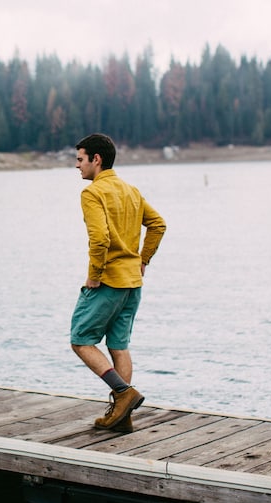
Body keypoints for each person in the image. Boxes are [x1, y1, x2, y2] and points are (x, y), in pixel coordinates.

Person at [70, 133, 166, 432]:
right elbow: (158, 224)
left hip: (108, 281)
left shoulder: (93, 193)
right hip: (132, 283)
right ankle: (122, 416)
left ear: (95, 160)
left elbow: (99, 239)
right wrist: (143, 259)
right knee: (119, 345)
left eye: (80, 159)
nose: (77, 166)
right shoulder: (130, 190)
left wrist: (94, 276)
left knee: (81, 340)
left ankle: (123, 393)